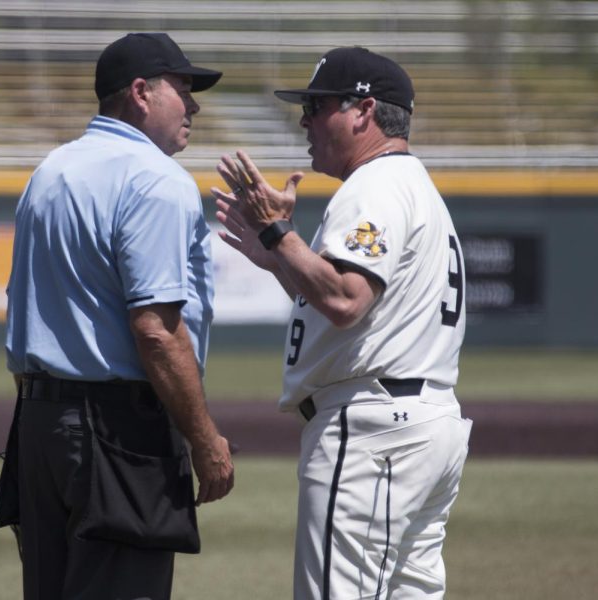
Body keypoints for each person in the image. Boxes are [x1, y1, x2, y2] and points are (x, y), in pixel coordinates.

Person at [213, 46, 472, 599]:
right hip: (423, 424)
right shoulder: (413, 185)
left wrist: (279, 234)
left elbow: (347, 301)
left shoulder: (373, 186)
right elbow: (354, 316)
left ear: (363, 110)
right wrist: (276, 256)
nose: (304, 119)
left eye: (317, 104)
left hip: (373, 429)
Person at [0, 32, 234, 600]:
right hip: (117, 429)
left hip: (38, 425)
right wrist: (203, 440)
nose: (195, 105)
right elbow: (156, 330)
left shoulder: (49, 172)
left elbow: (22, 309)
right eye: (183, 88)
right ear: (140, 93)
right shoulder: (155, 179)